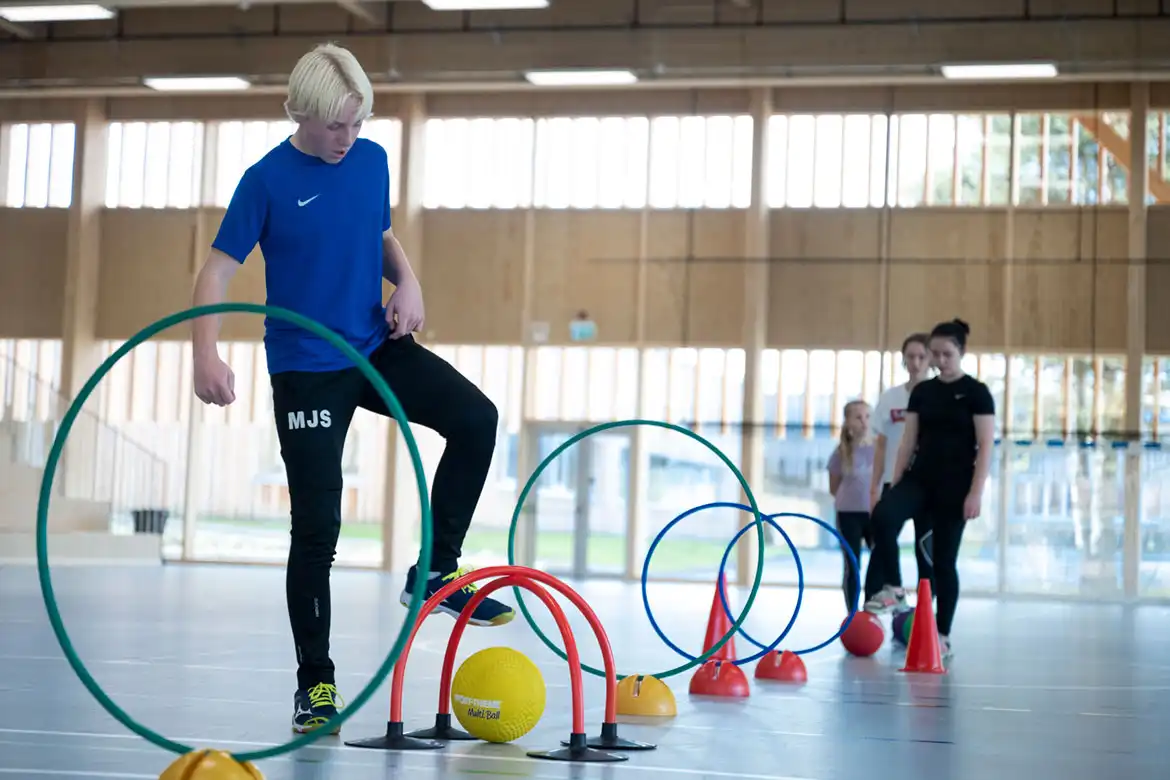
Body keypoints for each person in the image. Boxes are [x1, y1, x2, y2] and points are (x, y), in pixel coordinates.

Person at [190, 43, 514, 735]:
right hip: (307, 366)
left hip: (374, 344)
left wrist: (411, 282)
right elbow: (216, 274)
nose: (350, 138)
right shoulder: (266, 180)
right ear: (301, 114)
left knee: (477, 418)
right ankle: (316, 686)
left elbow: (381, 233)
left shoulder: (370, 160)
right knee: (317, 529)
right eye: (337, 125)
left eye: (359, 122)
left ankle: (435, 571)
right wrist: (205, 355)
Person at [862, 319, 995, 659]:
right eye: (935, 354)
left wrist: (976, 493)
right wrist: (894, 481)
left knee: (940, 563)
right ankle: (893, 587)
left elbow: (985, 446)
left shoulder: (977, 393)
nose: (939, 360)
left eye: (946, 354)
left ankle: (942, 632)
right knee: (884, 515)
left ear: (961, 352)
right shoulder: (923, 392)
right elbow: (907, 441)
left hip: (954, 490)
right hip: (919, 480)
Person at [862, 332, 932, 609]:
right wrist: (874, 486)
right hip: (895, 481)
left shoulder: (936, 397)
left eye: (921, 357)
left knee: (925, 548)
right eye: (910, 357)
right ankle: (887, 591)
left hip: (926, 484)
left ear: (930, 360)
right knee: (883, 529)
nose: (915, 363)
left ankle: (929, 611)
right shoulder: (891, 398)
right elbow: (881, 445)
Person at [826, 400, 875, 612]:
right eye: (858, 417)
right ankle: (852, 613)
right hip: (848, 514)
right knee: (852, 565)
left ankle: (872, 608)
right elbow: (834, 487)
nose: (864, 422)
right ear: (848, 423)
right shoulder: (840, 454)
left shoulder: (881, 449)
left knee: (879, 563)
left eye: (867, 416)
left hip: (874, 513)